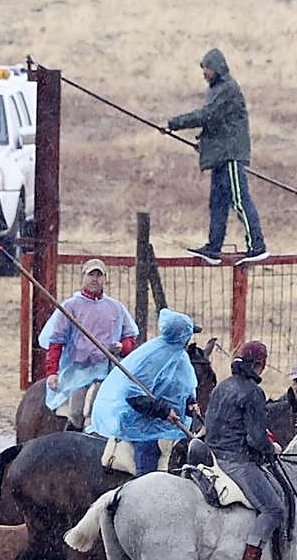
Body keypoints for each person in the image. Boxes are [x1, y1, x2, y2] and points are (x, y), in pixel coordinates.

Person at [167, 48, 267, 267]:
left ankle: (257, 246)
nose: (204, 73)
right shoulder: (217, 90)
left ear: (217, 68)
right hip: (220, 156)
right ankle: (213, 248)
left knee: (240, 200)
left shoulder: (227, 88)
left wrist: (175, 123)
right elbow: (216, 123)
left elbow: (207, 115)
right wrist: (204, 143)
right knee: (218, 204)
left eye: (207, 68)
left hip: (230, 155)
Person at [204, 340, 282, 560]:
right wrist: (272, 449)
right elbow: (256, 439)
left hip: (212, 456)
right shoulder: (253, 392)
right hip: (236, 461)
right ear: (261, 364)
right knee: (273, 508)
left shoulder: (223, 386)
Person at [90, 308, 200, 475]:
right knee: (149, 455)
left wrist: (190, 402)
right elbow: (134, 396)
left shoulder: (180, 356)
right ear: (181, 336)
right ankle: (143, 487)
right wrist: (163, 411)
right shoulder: (152, 358)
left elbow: (180, 389)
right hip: (143, 422)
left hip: (172, 422)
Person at [38, 258, 138, 430]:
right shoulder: (70, 307)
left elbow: (130, 338)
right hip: (78, 371)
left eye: (99, 275)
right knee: (76, 410)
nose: (95, 279)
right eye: (91, 274)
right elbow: (56, 342)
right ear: (83, 277)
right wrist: (52, 372)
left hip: (108, 370)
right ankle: (72, 435)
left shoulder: (116, 308)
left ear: (104, 279)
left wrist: (122, 347)